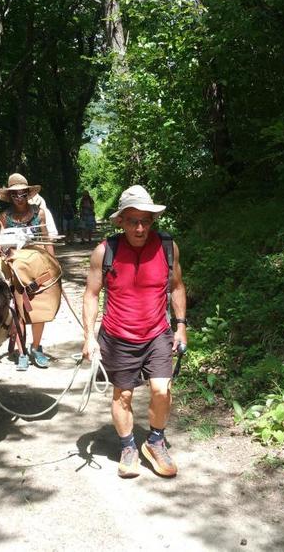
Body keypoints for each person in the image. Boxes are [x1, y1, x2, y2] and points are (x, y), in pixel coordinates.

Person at [82, 185, 187, 478]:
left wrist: (181, 326)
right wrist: (89, 336)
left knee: (162, 390)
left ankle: (155, 442)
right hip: (118, 336)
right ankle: (128, 447)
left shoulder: (167, 247)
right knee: (123, 395)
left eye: (145, 221)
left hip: (157, 333)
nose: (140, 228)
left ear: (153, 220)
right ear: (121, 221)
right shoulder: (105, 251)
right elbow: (91, 294)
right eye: (132, 221)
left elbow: (177, 286)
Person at [0, 173, 54, 371]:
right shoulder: (5, 217)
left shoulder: (39, 213)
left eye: (22, 193)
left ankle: (36, 347)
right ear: (10, 196)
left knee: (40, 307)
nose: (19, 198)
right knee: (19, 310)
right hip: (16, 267)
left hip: (38, 266)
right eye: (15, 194)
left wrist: (53, 264)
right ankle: (22, 352)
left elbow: (47, 239)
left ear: (28, 194)